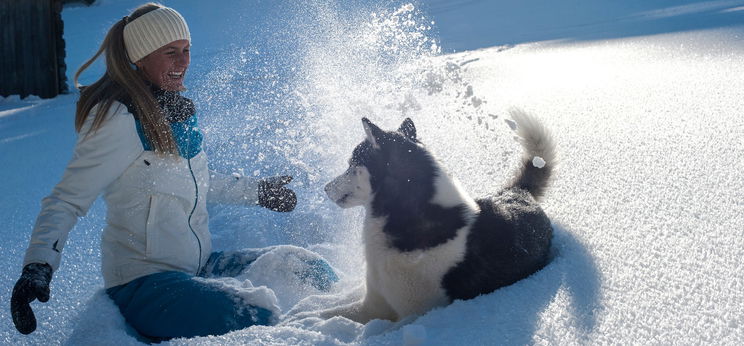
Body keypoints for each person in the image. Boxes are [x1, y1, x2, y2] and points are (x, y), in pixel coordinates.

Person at [10, 3, 336, 341]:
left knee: (307, 268)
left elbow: (200, 181)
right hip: (144, 284)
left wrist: (258, 191)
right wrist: (38, 266)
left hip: (199, 267)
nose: (183, 62)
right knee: (256, 316)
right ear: (141, 57)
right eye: (170, 52)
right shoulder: (116, 118)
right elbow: (67, 200)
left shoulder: (174, 108)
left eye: (186, 50)